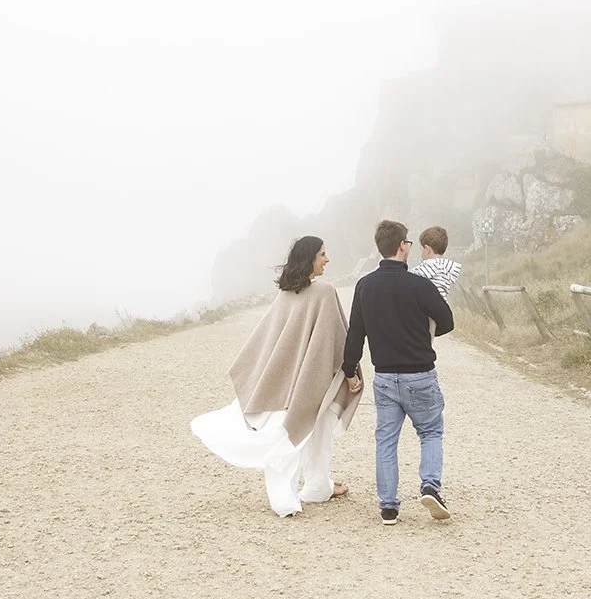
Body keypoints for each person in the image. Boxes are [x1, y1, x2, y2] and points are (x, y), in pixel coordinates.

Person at [192, 236, 363, 517]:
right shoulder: (324, 292)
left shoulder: (285, 294)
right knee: (300, 433)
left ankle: (313, 488)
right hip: (311, 378)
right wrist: (350, 373)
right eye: (322, 254)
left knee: (299, 430)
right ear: (309, 258)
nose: (327, 259)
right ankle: (303, 492)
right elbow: (337, 340)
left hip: (290, 380)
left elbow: (271, 341)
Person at [342, 220, 455, 526]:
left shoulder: (364, 286)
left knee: (386, 440)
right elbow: (447, 321)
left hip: (385, 377)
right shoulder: (420, 285)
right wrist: (421, 333)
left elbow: (356, 334)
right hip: (420, 374)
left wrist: (350, 370)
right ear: (403, 246)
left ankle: (389, 507)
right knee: (430, 432)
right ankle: (430, 486)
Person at [411, 225, 462, 301]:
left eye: (421, 248)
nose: (420, 252)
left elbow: (411, 278)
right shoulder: (446, 268)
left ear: (427, 249)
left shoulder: (426, 268)